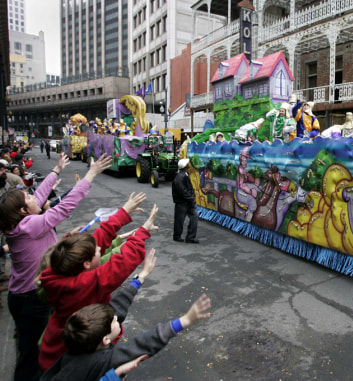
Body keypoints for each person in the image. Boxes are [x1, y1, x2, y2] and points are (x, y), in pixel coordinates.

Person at [0, 152, 112, 381]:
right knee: (32, 356)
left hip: (23, 295)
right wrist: (91, 175)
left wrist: (55, 171)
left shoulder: (20, 223)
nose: (34, 198)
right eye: (28, 199)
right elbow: (63, 209)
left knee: (32, 348)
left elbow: (39, 197)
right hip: (31, 298)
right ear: (23, 211)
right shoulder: (30, 226)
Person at [38, 197, 158, 372]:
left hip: (53, 347)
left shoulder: (60, 273)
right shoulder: (81, 286)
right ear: (86, 263)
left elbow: (95, 240)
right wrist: (142, 232)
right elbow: (120, 264)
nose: (101, 248)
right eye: (97, 251)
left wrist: (122, 213)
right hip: (68, 361)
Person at [39, 293, 211, 381]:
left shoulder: (75, 349)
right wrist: (184, 320)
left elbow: (116, 308)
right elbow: (142, 344)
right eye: (113, 321)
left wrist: (140, 278)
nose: (116, 318)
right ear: (105, 339)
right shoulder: (103, 360)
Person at [172, 158, 198, 243]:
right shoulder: (180, 177)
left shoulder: (184, 175)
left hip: (187, 201)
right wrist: (191, 199)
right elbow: (183, 191)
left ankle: (190, 237)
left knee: (192, 217)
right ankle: (178, 236)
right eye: (187, 164)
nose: (189, 164)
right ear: (185, 166)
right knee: (180, 220)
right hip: (182, 202)